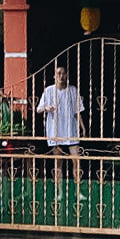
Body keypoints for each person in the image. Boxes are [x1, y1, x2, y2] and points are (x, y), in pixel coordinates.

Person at [36, 66, 86, 200]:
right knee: (58, 164)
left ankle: (78, 192)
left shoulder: (73, 90)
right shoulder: (48, 91)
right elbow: (38, 109)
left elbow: (78, 111)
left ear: (67, 75)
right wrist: (47, 107)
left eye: (63, 73)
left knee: (77, 161)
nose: (61, 76)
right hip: (56, 131)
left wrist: (82, 127)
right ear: (54, 76)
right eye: (58, 73)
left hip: (71, 130)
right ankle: (60, 193)